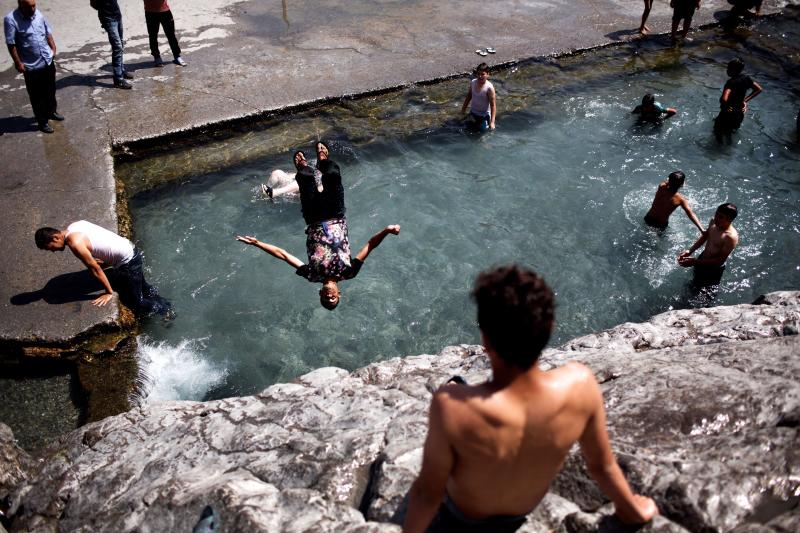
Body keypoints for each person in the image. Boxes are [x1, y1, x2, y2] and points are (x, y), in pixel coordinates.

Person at [403, 265, 658, 533]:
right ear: (550, 328)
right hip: (521, 512)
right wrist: (633, 511)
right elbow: (602, 466)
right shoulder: (581, 385)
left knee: (456, 383)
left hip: (463, 516)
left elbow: (427, 494)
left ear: (486, 339)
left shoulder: (450, 405)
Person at [238, 142, 401, 309]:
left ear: (320, 294)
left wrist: (258, 244)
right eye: (333, 299)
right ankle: (322, 159)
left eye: (325, 299)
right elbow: (370, 245)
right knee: (332, 174)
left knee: (306, 176)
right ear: (339, 294)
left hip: (313, 217)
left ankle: (302, 165)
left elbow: (284, 255)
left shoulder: (311, 275)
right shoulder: (349, 272)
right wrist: (387, 231)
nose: (329, 297)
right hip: (336, 213)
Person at [34, 221, 171, 316]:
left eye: (50, 248)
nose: (52, 251)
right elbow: (101, 239)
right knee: (144, 287)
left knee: (137, 301)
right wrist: (107, 260)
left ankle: (165, 311)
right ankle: (164, 302)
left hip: (128, 261)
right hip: (131, 249)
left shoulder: (75, 244)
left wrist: (108, 292)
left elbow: (95, 269)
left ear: (56, 237)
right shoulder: (75, 225)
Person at [4, 0, 63, 134]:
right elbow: (11, 44)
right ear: (20, 5)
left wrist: (53, 47)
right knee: (37, 96)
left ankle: (52, 112)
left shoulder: (38, 13)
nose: (32, 9)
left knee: (50, 89)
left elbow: (47, 31)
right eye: (28, 6)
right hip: (31, 65)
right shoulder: (10, 19)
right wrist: (18, 63)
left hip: (47, 60)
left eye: (34, 5)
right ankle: (42, 122)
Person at [678, 203, 739, 286]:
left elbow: (720, 261)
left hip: (713, 270)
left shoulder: (730, 237)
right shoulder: (714, 221)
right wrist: (690, 251)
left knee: (704, 295)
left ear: (730, 220)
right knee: (692, 284)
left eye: (720, 217)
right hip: (701, 259)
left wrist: (695, 262)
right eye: (716, 214)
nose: (716, 218)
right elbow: (705, 236)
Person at [713, 58, 762, 136]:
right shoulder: (746, 79)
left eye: (728, 68)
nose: (727, 70)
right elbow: (759, 89)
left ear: (732, 70)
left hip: (727, 114)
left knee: (717, 133)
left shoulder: (730, 83)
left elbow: (724, 99)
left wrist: (728, 107)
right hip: (739, 113)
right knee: (731, 133)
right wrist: (745, 101)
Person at [92, 0, 133, 89]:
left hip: (117, 16)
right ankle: (118, 79)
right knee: (117, 47)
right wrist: (104, 9)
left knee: (120, 44)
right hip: (108, 19)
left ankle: (121, 71)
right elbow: (93, 4)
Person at [143, 0, 186, 67]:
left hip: (165, 11)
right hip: (150, 12)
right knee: (153, 36)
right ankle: (157, 57)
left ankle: (177, 56)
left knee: (171, 35)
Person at [461, 62, 496, 132]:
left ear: (488, 75)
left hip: (484, 116)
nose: (480, 76)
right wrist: (463, 110)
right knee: (465, 129)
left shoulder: (489, 88)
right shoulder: (473, 82)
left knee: (482, 134)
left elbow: (493, 105)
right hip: (473, 113)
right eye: (478, 74)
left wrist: (492, 122)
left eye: (483, 74)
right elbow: (469, 96)